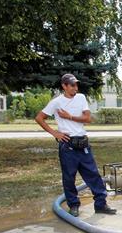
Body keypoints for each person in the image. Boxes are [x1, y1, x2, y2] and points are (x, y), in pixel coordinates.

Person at [35, 73, 116, 217]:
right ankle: (73, 206)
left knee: (94, 175)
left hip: (83, 144)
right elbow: (39, 118)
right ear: (64, 86)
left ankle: (101, 205)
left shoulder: (81, 98)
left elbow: (88, 118)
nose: (75, 87)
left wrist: (70, 117)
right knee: (69, 178)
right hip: (68, 146)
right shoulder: (57, 102)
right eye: (72, 85)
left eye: (76, 84)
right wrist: (55, 133)